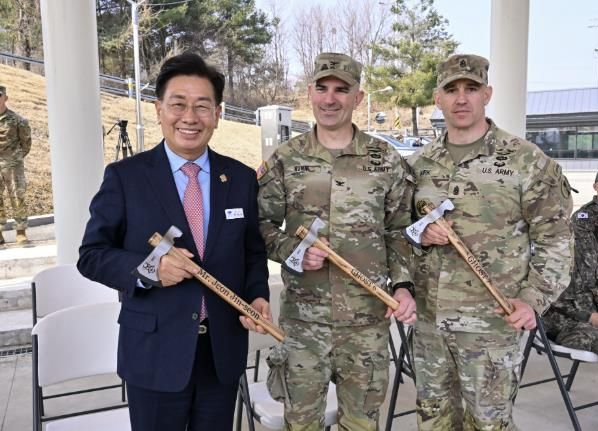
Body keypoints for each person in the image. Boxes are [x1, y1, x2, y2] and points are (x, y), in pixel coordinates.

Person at [77, 52, 270, 431]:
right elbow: (92, 255)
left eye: (202, 106)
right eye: (178, 104)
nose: (190, 117)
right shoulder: (126, 177)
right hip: (154, 351)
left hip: (221, 351)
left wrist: (257, 295)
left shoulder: (240, 178)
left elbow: (252, 251)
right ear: (158, 109)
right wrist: (150, 269)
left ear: (218, 114)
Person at [407, 53, 574, 430]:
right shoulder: (419, 165)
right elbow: (399, 231)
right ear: (437, 98)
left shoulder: (526, 161)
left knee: (489, 424)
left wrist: (533, 299)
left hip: (491, 327)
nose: (461, 98)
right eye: (451, 89)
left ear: (487, 94)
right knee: (433, 420)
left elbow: (556, 239)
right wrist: (421, 234)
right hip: (430, 325)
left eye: (471, 88)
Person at [257, 52, 417, 430]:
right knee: (301, 424)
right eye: (322, 88)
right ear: (309, 93)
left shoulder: (385, 159)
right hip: (304, 323)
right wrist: (292, 252)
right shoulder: (286, 159)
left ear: (357, 98)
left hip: (366, 322)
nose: (330, 99)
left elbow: (400, 230)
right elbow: (261, 225)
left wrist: (404, 286)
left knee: (361, 424)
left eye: (341, 90)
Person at [544, 229, 598, 431]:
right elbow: (543, 293)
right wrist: (589, 317)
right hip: (564, 323)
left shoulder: (584, 235)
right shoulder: (539, 239)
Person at [0, 84, 31, 245]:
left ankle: (20, 231)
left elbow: (26, 143)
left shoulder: (18, 120)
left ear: (5, 98)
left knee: (17, 196)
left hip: (12, 164)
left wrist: (15, 158)